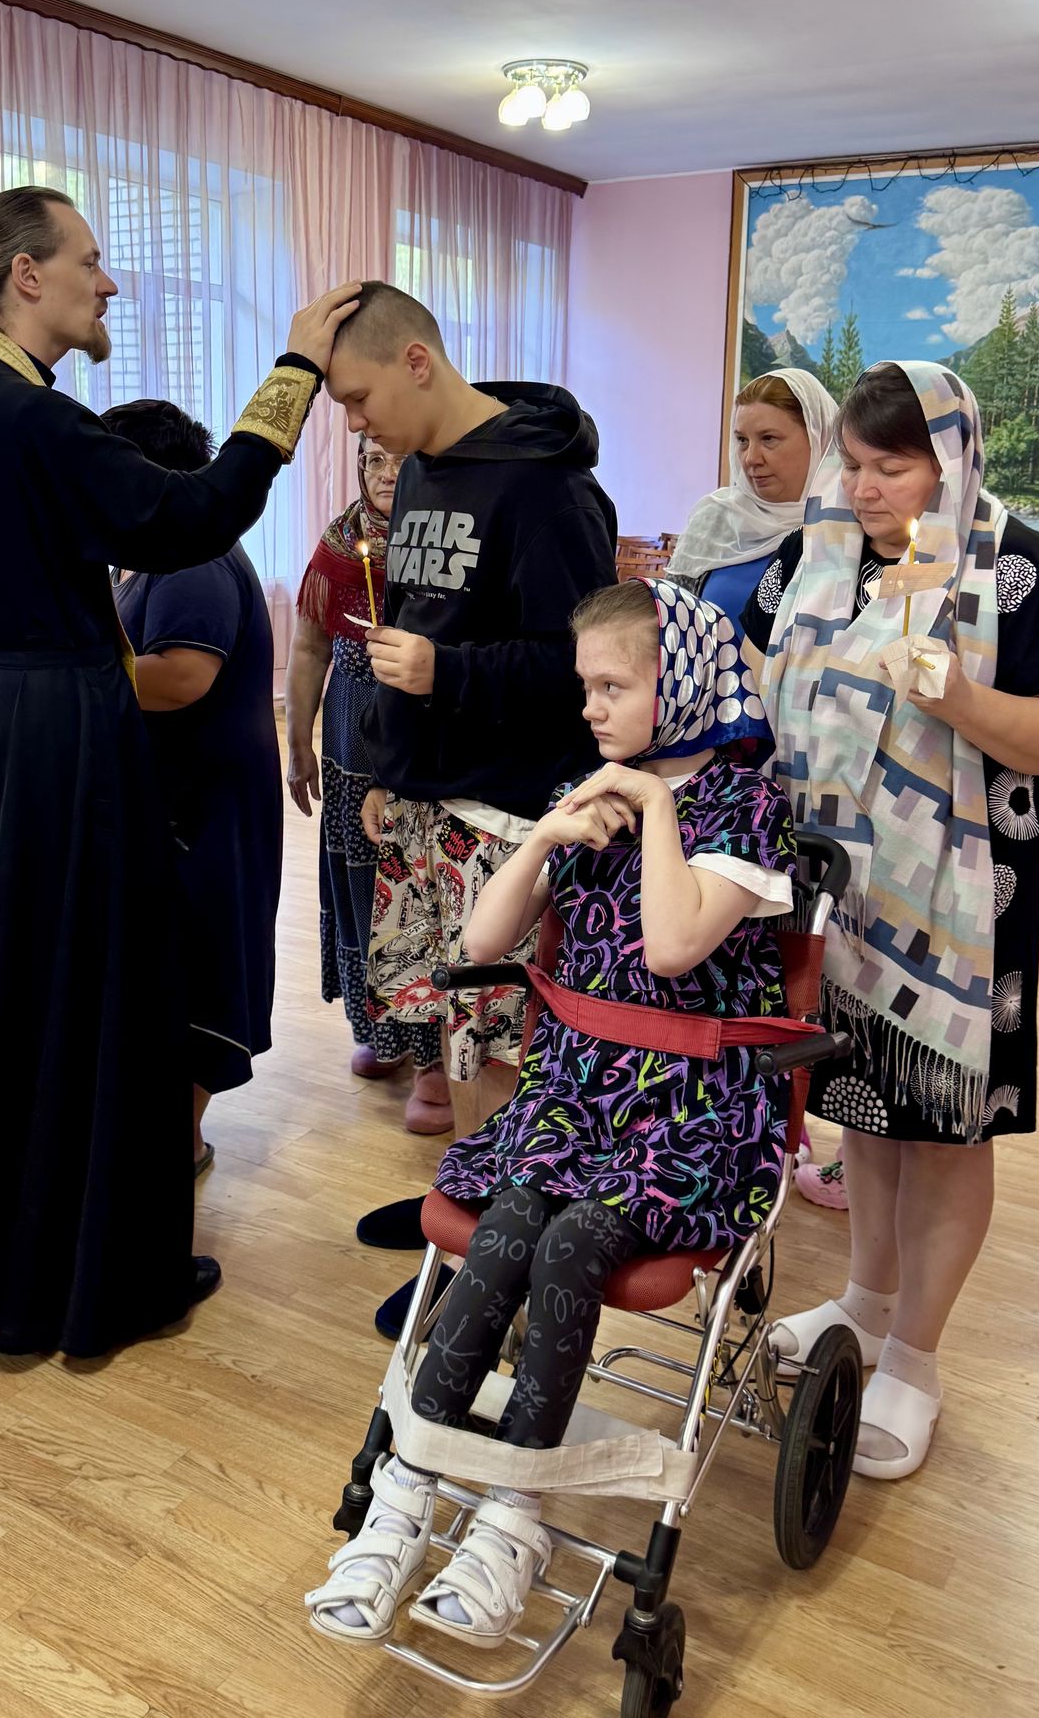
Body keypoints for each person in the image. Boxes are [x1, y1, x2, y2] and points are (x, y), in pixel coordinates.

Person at [0, 182, 348, 1358]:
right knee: (103, 996)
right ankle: (100, 1282)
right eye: (90, 259)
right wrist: (294, 368)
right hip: (66, 726)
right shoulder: (30, 414)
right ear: (24, 274)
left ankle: (4, 1271)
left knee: (11, 998)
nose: (109, 282)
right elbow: (192, 515)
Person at [306, 577, 796, 1646]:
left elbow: (674, 946)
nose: (590, 707)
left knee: (571, 1242)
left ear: (684, 682)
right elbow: (485, 942)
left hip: (690, 1113)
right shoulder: (588, 791)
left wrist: (655, 807)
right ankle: (405, 1497)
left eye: (613, 685)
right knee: (507, 1230)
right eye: (586, 687)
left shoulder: (748, 809)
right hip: (577, 1097)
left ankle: (513, 1518)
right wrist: (545, 838)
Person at [739, 361, 1039, 1480]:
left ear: (950, 461)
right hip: (842, 884)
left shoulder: (1020, 567)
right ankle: (862, 1298)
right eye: (853, 463)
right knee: (865, 1105)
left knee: (946, 1121)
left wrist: (960, 700)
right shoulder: (818, 557)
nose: (863, 488)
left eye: (891, 467)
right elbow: (755, 669)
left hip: (966, 900)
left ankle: (916, 1356)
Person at [319, 282, 617, 1330]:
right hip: (431, 799)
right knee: (455, 1034)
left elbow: (582, 667)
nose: (356, 425)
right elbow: (412, 622)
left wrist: (445, 673)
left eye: (359, 397)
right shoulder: (422, 469)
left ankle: (497, 1267)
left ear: (416, 361)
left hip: (511, 809)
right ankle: (465, 1214)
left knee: (501, 1046)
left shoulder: (546, 489)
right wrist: (388, 767)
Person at [103, 397, 281, 1177]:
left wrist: (69, 677)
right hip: (179, 801)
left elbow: (180, 677)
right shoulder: (156, 553)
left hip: (204, 807)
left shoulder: (192, 558)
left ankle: (177, 1141)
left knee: (199, 967)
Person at [285, 436, 406, 1076]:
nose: (386, 473)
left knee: (410, 875)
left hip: (421, 722)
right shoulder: (339, 544)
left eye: (401, 460)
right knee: (357, 874)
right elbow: (309, 649)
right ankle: (378, 1027)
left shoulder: (441, 539)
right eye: (374, 460)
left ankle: (431, 1051)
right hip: (347, 729)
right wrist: (297, 744)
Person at [666, 367, 838, 637]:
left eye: (769, 439)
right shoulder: (715, 518)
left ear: (819, 440)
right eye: (742, 440)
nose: (751, 458)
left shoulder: (844, 527)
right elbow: (672, 623)